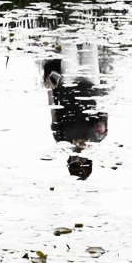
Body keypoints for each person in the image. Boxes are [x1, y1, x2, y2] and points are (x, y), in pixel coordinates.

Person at [43, 42, 109, 180]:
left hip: (68, 85)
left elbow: (54, 113)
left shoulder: (61, 139)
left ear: (69, 160)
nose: (78, 157)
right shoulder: (97, 138)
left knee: (68, 45)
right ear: (88, 160)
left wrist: (50, 89)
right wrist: (97, 129)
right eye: (83, 161)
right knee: (90, 46)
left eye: (74, 162)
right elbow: (103, 112)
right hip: (90, 85)